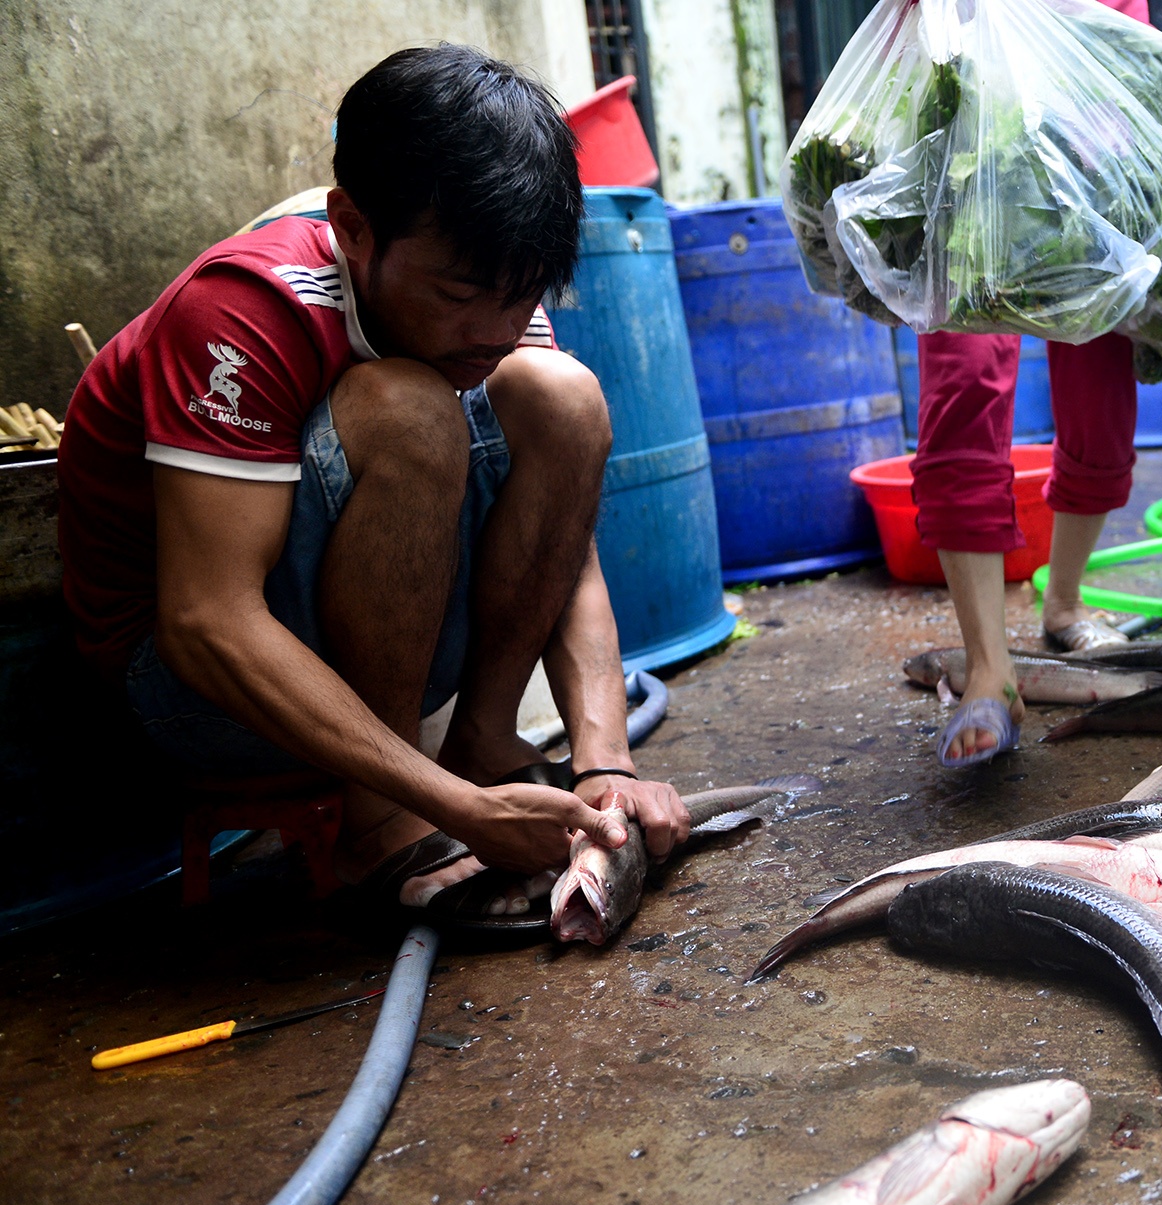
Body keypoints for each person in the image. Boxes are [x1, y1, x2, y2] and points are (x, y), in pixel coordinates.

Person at [56, 45, 691, 937]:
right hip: (194, 691)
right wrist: (452, 807)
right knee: (411, 410)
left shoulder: (492, 295)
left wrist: (605, 765)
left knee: (564, 397)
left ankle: (481, 740)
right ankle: (382, 820)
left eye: (524, 295)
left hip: (380, 655)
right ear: (352, 226)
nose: (500, 326)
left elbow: (566, 553)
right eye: (462, 294)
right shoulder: (242, 308)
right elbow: (205, 624)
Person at [915, 0, 1162, 767]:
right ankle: (989, 670)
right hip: (973, 101)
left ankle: (1062, 601)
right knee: (965, 375)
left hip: (1100, 114)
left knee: (1101, 392)